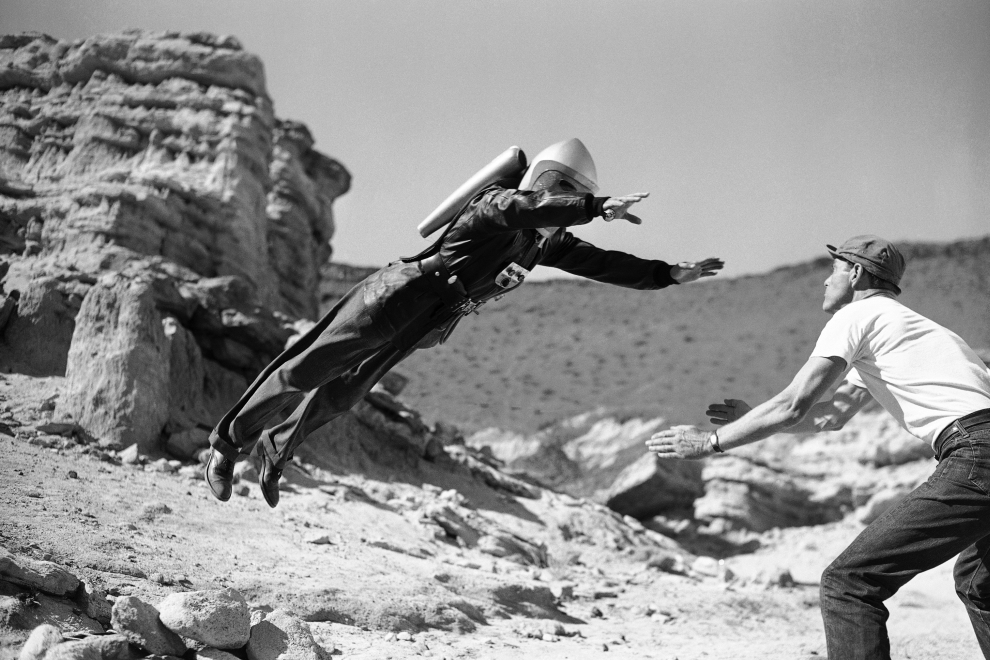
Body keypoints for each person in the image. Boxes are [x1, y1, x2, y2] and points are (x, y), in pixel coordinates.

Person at [205, 138, 724, 508]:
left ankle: (275, 452)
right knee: (306, 371)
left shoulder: (543, 242)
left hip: (428, 318)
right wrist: (593, 206)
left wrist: (667, 274)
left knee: (345, 393)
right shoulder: (495, 205)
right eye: (561, 188)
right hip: (397, 294)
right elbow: (523, 206)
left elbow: (604, 263)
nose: (561, 201)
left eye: (572, 192)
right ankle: (227, 447)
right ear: (546, 182)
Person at [646, 234, 990, 660]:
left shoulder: (855, 318)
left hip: (981, 453)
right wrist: (754, 418)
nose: (825, 278)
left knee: (850, 582)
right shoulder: (911, 328)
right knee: (983, 584)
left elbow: (794, 404)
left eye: (833, 268)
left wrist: (711, 442)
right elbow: (829, 415)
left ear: (856, 275)